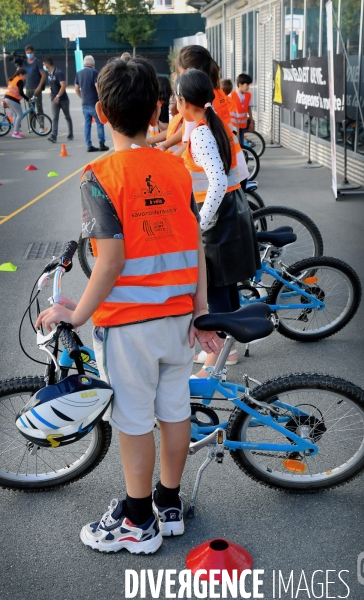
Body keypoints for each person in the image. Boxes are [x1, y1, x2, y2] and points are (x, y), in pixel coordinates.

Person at [35, 57, 221, 554]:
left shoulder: (98, 175)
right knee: (175, 409)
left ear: (100, 112)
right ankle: (169, 502)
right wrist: (200, 309)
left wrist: (76, 314)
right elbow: (196, 243)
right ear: (158, 109)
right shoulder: (177, 169)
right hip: (180, 317)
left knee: (134, 420)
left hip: (130, 327)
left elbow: (111, 259)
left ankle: (138, 521)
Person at [176, 69, 261, 376]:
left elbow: (217, 181)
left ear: (184, 101)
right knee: (225, 288)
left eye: (176, 97)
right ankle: (229, 351)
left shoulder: (200, 132)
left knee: (215, 291)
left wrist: (199, 222)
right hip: (232, 211)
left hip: (218, 219)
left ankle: (216, 362)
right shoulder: (215, 122)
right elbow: (236, 173)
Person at [177, 45, 249, 190]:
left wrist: (165, 160)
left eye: (179, 72)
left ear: (188, 71)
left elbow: (188, 145)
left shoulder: (195, 103)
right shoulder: (213, 93)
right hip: (235, 167)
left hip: (222, 179)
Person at [74, 55, 109, 152]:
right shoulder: (94, 72)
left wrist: (82, 97)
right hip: (94, 102)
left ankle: (89, 145)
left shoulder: (79, 73)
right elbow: (97, 86)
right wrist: (101, 98)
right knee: (99, 123)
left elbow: (76, 89)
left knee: (87, 124)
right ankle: (101, 143)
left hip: (84, 103)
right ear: (93, 64)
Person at [43, 56, 73, 144]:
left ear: (47, 64)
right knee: (55, 118)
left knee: (67, 116)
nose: (43, 66)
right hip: (54, 99)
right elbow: (52, 84)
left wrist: (58, 96)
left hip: (63, 99)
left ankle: (70, 133)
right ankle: (54, 135)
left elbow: (63, 85)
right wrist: (51, 91)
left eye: (44, 64)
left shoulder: (58, 73)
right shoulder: (49, 73)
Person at [4, 67, 29, 139]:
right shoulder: (20, 80)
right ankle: (15, 132)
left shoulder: (13, 79)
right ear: (21, 74)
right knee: (20, 115)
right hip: (12, 99)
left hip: (7, 98)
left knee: (15, 115)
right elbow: (21, 92)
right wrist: (27, 99)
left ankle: (15, 130)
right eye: (24, 76)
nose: (25, 78)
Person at [231, 73, 255, 145]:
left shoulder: (248, 95)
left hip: (243, 125)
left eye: (249, 85)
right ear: (240, 84)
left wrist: (251, 121)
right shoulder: (231, 95)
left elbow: (249, 109)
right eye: (247, 85)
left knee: (241, 144)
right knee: (236, 144)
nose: (248, 87)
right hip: (234, 126)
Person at [24, 44, 46, 115]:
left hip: (36, 88)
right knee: (30, 109)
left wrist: (39, 87)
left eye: (30, 53)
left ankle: (41, 125)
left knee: (39, 108)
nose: (29, 54)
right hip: (28, 88)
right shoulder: (25, 62)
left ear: (33, 52)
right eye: (28, 53)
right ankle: (31, 126)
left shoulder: (38, 62)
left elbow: (43, 75)